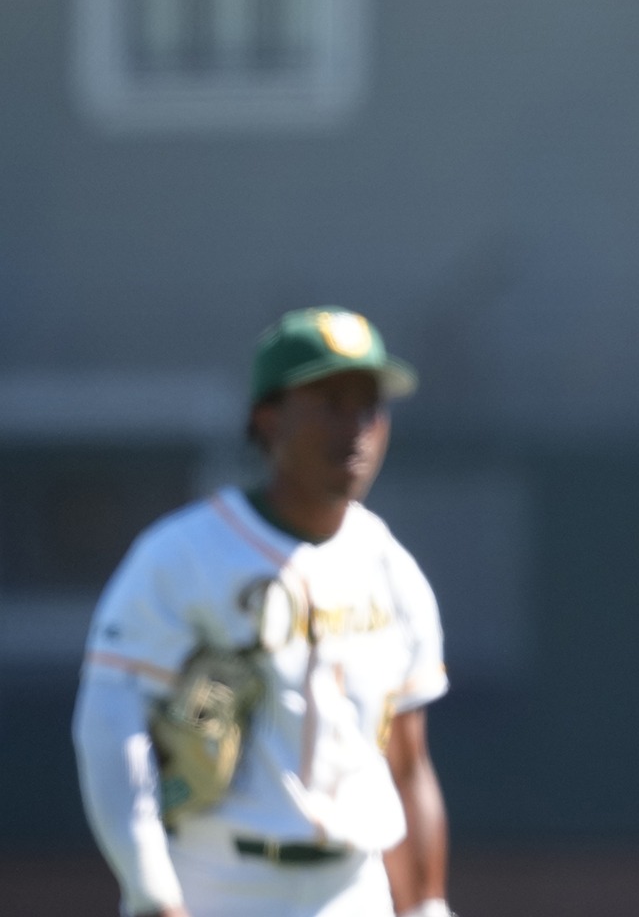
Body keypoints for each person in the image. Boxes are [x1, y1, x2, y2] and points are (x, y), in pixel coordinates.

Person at [73, 307, 453, 917]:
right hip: (219, 883)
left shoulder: (393, 571)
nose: (355, 427)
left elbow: (408, 765)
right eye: (330, 403)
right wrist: (151, 893)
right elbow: (109, 727)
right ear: (268, 418)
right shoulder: (183, 557)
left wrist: (427, 908)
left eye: (368, 406)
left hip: (354, 889)